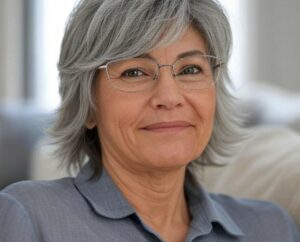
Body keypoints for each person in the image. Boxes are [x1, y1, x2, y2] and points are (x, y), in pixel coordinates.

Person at [0, 0, 299, 241]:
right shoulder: (28, 215)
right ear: (89, 106)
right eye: (134, 72)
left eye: (190, 69)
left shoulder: (271, 228)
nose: (169, 97)